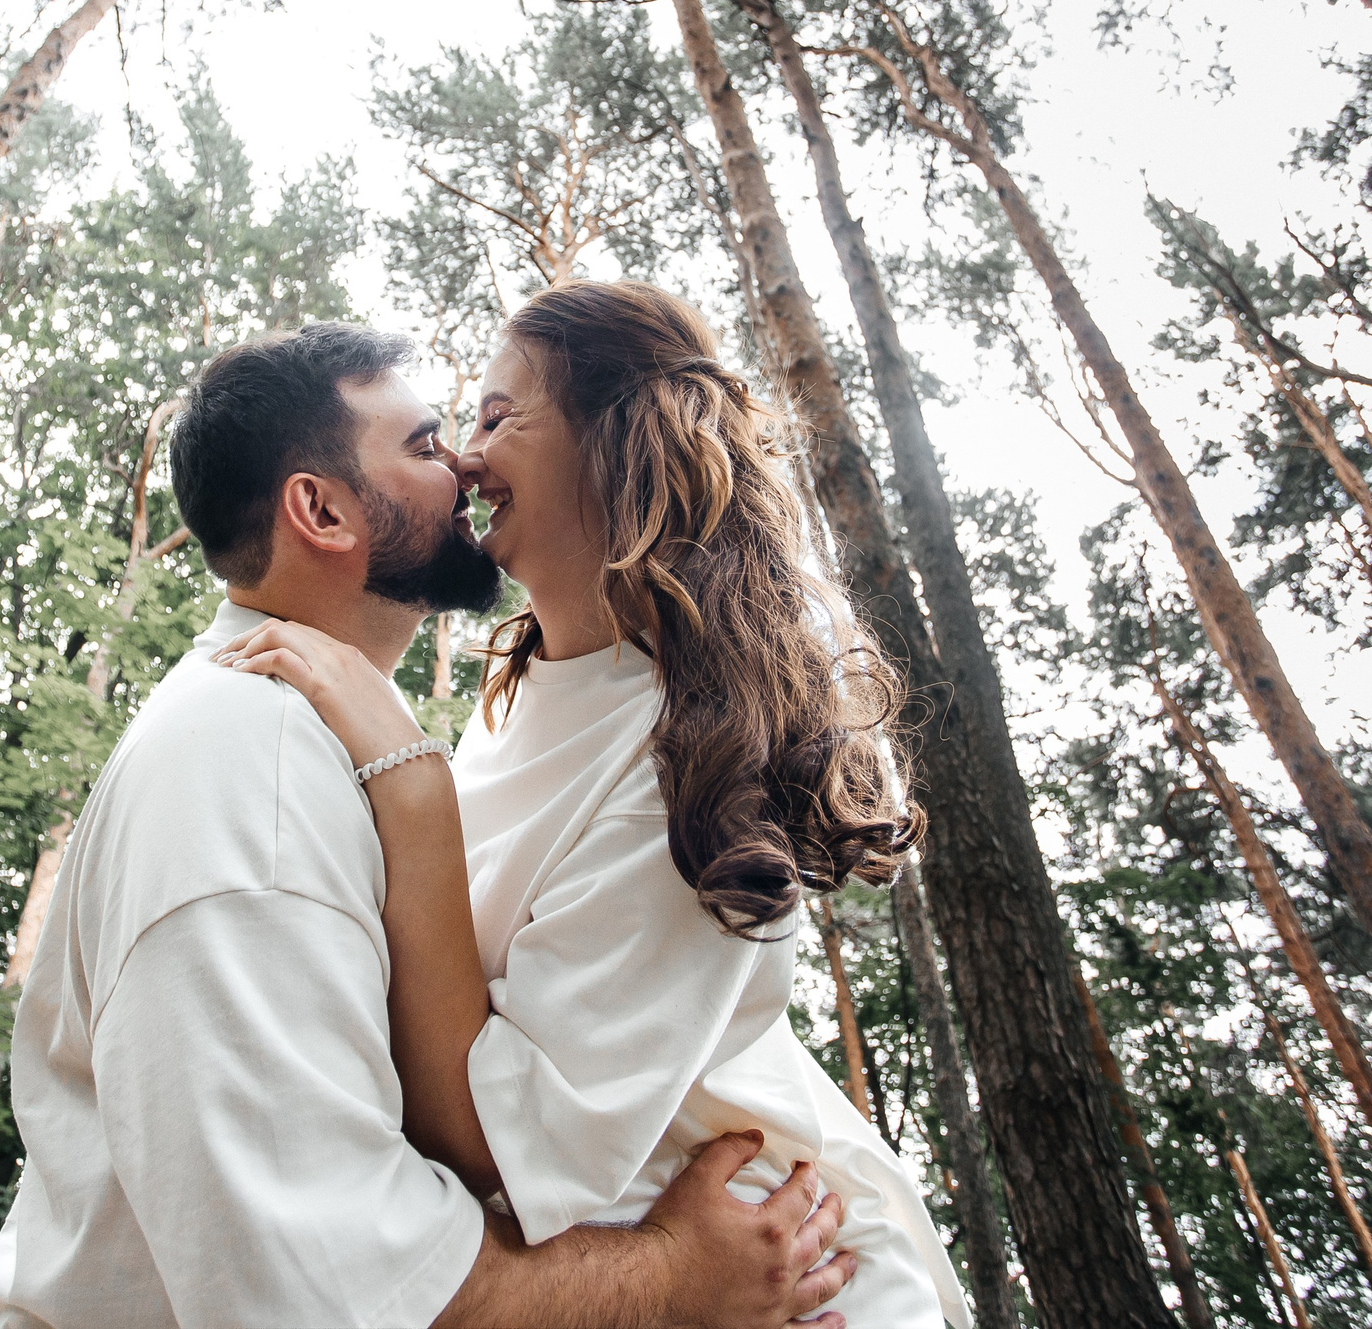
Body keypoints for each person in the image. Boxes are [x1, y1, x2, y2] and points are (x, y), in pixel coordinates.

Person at [0, 321, 859, 1329]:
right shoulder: (255, 770)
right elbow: (327, 1286)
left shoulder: (365, 741)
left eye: (486, 423)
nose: (464, 463)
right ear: (321, 509)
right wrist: (668, 1281)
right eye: (428, 441)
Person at [218, 283, 972, 1328]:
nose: (466, 459)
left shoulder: (694, 753)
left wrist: (410, 781)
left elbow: (489, 1133)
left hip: (791, 1289)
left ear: (621, 441)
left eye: (498, 417)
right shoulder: (525, 696)